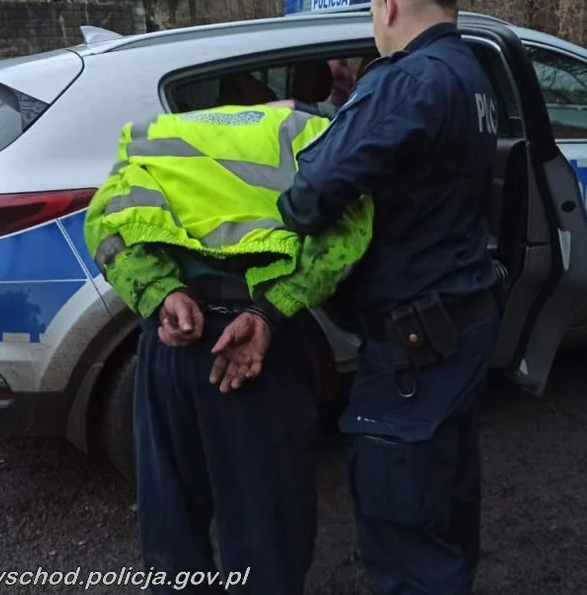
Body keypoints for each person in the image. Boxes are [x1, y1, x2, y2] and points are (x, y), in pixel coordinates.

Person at [276, 0, 502, 594]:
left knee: (403, 528)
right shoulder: (470, 72)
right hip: (460, 322)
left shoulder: (405, 80)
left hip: (413, 344)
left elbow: (307, 198)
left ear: (386, 3)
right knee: (446, 501)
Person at [83, 102, 374, 594]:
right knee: (268, 527)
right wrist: (272, 309)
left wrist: (161, 294)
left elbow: (103, 225)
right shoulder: (315, 133)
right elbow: (350, 229)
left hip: (172, 345)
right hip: (260, 348)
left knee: (172, 519)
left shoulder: (156, 133)